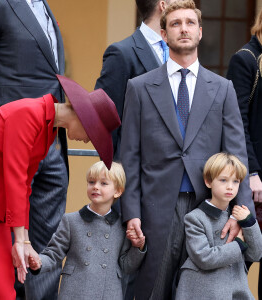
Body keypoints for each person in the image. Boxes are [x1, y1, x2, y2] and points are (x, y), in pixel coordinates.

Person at [120, 1, 255, 299]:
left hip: (209, 211)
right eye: (176, 23)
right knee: (152, 291)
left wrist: (242, 214)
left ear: (200, 32)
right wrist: (130, 213)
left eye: (190, 23)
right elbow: (128, 157)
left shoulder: (223, 89)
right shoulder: (139, 88)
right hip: (154, 211)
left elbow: (237, 156)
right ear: (164, 34)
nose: (184, 28)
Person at [0, 76, 121, 300]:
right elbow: (16, 176)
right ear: (84, 118)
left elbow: (25, 184)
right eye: (93, 134)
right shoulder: (29, 113)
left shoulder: (48, 127)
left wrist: (24, 240)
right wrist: (19, 240)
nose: (89, 141)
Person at [0, 0, 67, 298]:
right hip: (10, 146)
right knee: (9, 245)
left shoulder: (45, 7)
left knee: (46, 248)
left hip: (53, 144)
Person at [28, 161, 146, 300]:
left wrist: (137, 247)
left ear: (118, 191)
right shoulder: (71, 220)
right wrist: (39, 262)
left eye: (103, 183)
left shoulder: (122, 226)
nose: (95, 187)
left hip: (109, 294)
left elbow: (126, 267)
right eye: (91, 182)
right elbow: (53, 254)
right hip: (74, 292)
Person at [95, 0, 175, 160]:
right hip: (135, 168)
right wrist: (117, 168)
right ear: (164, 5)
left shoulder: (180, 51)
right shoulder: (122, 53)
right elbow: (105, 117)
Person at [176, 152, 262, 300]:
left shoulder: (238, 219)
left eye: (235, 181)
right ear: (208, 182)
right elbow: (204, 257)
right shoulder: (195, 218)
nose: (230, 187)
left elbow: (256, 254)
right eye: (223, 180)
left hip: (235, 291)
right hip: (202, 293)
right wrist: (239, 245)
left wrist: (249, 223)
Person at [227, 9, 262, 298]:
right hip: (256, 184)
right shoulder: (246, 60)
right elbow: (237, 124)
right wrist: (251, 173)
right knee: (241, 264)